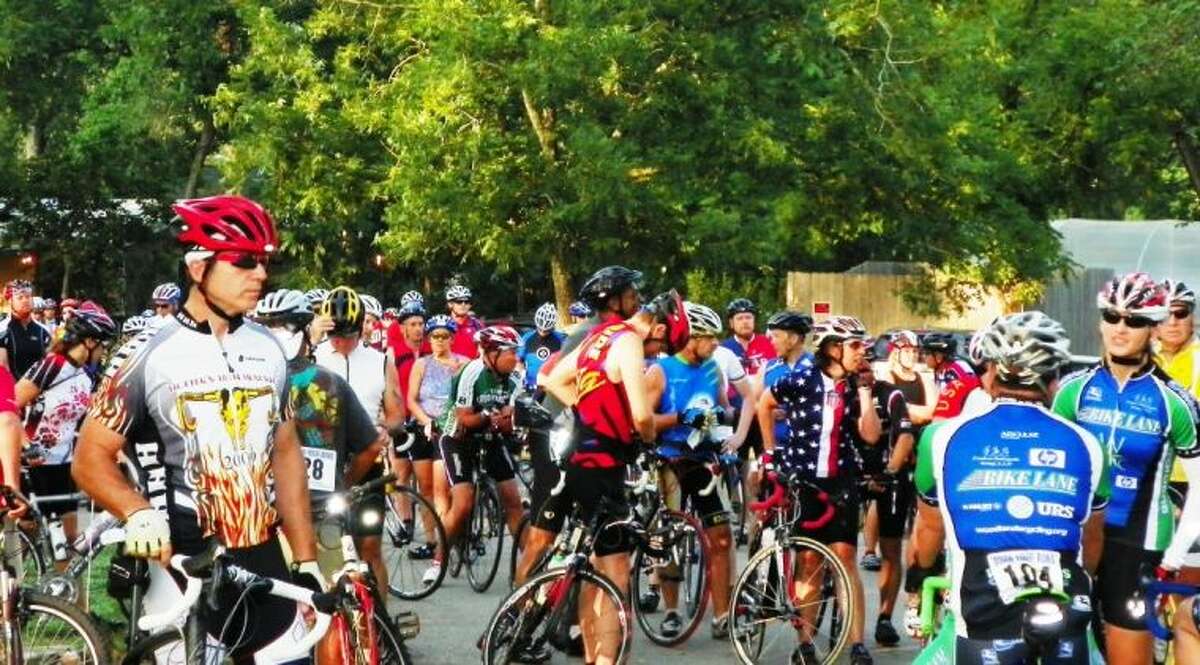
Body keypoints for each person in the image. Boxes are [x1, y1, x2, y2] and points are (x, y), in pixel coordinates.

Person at [72, 194, 322, 662]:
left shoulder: (269, 346)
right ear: (197, 267)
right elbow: (90, 458)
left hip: (262, 551)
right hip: (184, 558)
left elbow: (285, 452)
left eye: (265, 262)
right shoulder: (146, 353)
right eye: (245, 262)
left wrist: (306, 557)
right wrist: (134, 511)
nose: (261, 275)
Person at [910, 311, 1108, 665]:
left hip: (978, 629)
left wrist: (918, 577)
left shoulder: (940, 438)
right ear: (1053, 381)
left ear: (989, 375)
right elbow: (1092, 543)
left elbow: (928, 529)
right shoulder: (1089, 445)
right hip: (1067, 626)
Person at [1053, 272, 1200, 665]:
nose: (1120, 328)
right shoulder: (1072, 389)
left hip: (1139, 543)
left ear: (1153, 328)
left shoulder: (1175, 401)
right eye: (1112, 316)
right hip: (1076, 538)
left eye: (1134, 320)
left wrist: (1173, 556)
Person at [541, 289, 691, 665]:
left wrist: (591, 413)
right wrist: (642, 436)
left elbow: (553, 379)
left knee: (593, 565)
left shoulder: (601, 335)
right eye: (660, 346)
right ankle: (607, 659)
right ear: (656, 328)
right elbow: (642, 416)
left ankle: (594, 654)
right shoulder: (629, 342)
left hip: (578, 458)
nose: (657, 353)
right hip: (603, 464)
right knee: (616, 574)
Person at [757, 315, 882, 665]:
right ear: (832, 348)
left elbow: (871, 435)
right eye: (855, 345)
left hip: (841, 479)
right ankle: (806, 643)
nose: (862, 352)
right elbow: (763, 404)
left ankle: (857, 644)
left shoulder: (857, 384)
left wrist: (865, 390)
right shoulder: (801, 378)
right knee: (809, 561)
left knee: (845, 559)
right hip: (804, 479)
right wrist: (770, 455)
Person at [513, 266, 646, 592]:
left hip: (580, 436)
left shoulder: (611, 333)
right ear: (614, 301)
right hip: (559, 435)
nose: (637, 299)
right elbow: (548, 377)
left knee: (577, 535)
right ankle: (520, 606)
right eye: (631, 293)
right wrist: (587, 411)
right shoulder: (589, 334)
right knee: (545, 533)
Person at [645, 301, 737, 639]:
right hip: (671, 459)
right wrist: (681, 418)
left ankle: (722, 614)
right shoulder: (661, 370)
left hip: (704, 460)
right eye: (710, 338)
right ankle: (671, 610)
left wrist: (726, 421)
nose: (716, 344)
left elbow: (726, 407)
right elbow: (644, 421)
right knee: (666, 536)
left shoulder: (714, 368)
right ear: (691, 337)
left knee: (722, 536)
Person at [313, 286, 405, 594]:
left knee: (370, 548)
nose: (341, 343)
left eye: (348, 336)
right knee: (328, 551)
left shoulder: (380, 361)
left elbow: (396, 414)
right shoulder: (313, 356)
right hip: (325, 464)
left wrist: (386, 429)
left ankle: (382, 629)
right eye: (334, 335)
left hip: (366, 462)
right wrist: (312, 336)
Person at [15, 308, 116, 546]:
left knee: (71, 540)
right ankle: (12, 582)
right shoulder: (52, 365)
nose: (104, 351)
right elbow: (8, 404)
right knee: (27, 538)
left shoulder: (86, 375)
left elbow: (90, 416)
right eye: (103, 344)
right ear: (89, 341)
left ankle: (66, 585)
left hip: (63, 464)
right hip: (32, 464)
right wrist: (26, 446)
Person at [853, 343, 914, 647]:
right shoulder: (838, 392)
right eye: (858, 365)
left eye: (867, 365)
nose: (862, 370)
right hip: (851, 473)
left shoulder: (891, 394)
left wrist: (890, 471)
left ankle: (885, 617)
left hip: (887, 473)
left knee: (891, 549)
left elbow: (905, 436)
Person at [406, 313, 467, 583]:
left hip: (450, 430)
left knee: (446, 489)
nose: (438, 341)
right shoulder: (422, 364)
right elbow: (411, 399)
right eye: (434, 336)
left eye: (443, 336)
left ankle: (449, 535)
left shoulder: (463, 364)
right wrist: (426, 421)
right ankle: (433, 538)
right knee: (427, 488)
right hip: (425, 429)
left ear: (452, 338)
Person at [0, 279, 51, 379]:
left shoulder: (44, 330)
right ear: (10, 301)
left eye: (28, 297)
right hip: (12, 389)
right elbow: (3, 369)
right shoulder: (2, 329)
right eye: (20, 298)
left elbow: (50, 362)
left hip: (41, 389)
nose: (25, 300)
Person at [518, 303, 565, 390]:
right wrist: (522, 374)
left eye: (546, 330)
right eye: (540, 329)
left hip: (552, 387)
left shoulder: (562, 339)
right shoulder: (526, 338)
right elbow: (518, 361)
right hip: (531, 385)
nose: (543, 332)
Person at [445, 285, 484, 359]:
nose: (463, 304)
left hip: (472, 368)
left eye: (467, 302)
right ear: (450, 304)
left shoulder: (478, 325)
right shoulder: (443, 325)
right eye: (459, 302)